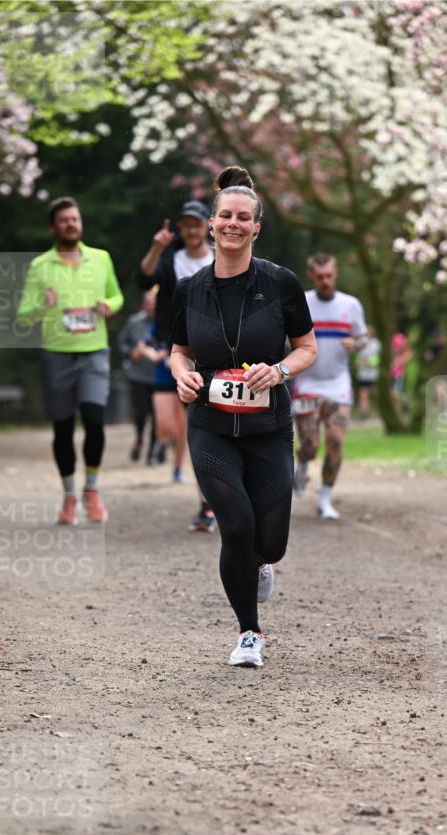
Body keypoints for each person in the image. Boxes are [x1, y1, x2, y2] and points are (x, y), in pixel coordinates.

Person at [170, 165, 317, 667]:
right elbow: (178, 350)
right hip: (211, 426)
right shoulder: (189, 289)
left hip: (268, 428)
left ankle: (259, 565)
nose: (232, 224)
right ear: (211, 224)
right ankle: (249, 633)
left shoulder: (280, 284)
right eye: (224, 216)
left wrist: (278, 370)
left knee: (269, 543)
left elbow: (307, 349)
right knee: (235, 526)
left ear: (256, 227)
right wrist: (182, 373)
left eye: (243, 218)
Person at [16, 197, 123, 523]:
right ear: (53, 227)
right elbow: (22, 317)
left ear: (80, 223)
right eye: (64, 220)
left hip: (94, 351)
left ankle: (91, 491)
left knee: (93, 419)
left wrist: (109, 305)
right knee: (62, 428)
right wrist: (41, 306)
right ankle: (68, 496)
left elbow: (117, 295)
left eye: (75, 219)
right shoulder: (40, 267)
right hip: (57, 354)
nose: (71, 224)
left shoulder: (100, 258)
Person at [140, 200, 216, 530]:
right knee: (169, 426)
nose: (192, 230)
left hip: (208, 355)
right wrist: (156, 248)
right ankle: (168, 450)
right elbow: (143, 280)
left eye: (197, 224)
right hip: (171, 349)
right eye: (186, 225)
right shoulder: (171, 259)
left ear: (207, 226)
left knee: (202, 433)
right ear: (181, 230)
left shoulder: (220, 258)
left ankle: (206, 506)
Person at [291, 252, 367, 520]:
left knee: (335, 441)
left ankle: (324, 499)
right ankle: (302, 463)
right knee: (310, 445)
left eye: (329, 276)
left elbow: (362, 337)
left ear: (336, 274)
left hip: (338, 384)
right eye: (320, 276)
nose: (325, 281)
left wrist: (356, 344)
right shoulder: (302, 302)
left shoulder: (350, 305)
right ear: (312, 276)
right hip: (307, 382)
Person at [118, 288, 159, 463]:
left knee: (158, 415)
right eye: (148, 301)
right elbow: (121, 344)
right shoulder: (134, 322)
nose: (150, 305)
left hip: (159, 377)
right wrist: (131, 353)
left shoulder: (166, 322)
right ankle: (139, 439)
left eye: (154, 301)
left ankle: (153, 450)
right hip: (138, 376)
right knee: (141, 412)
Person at [355, 328, 380, 418]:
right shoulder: (360, 343)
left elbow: (378, 359)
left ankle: (365, 413)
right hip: (362, 374)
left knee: (364, 394)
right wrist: (360, 362)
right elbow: (358, 359)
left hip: (371, 374)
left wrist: (367, 361)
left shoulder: (376, 344)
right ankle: (364, 413)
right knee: (363, 394)